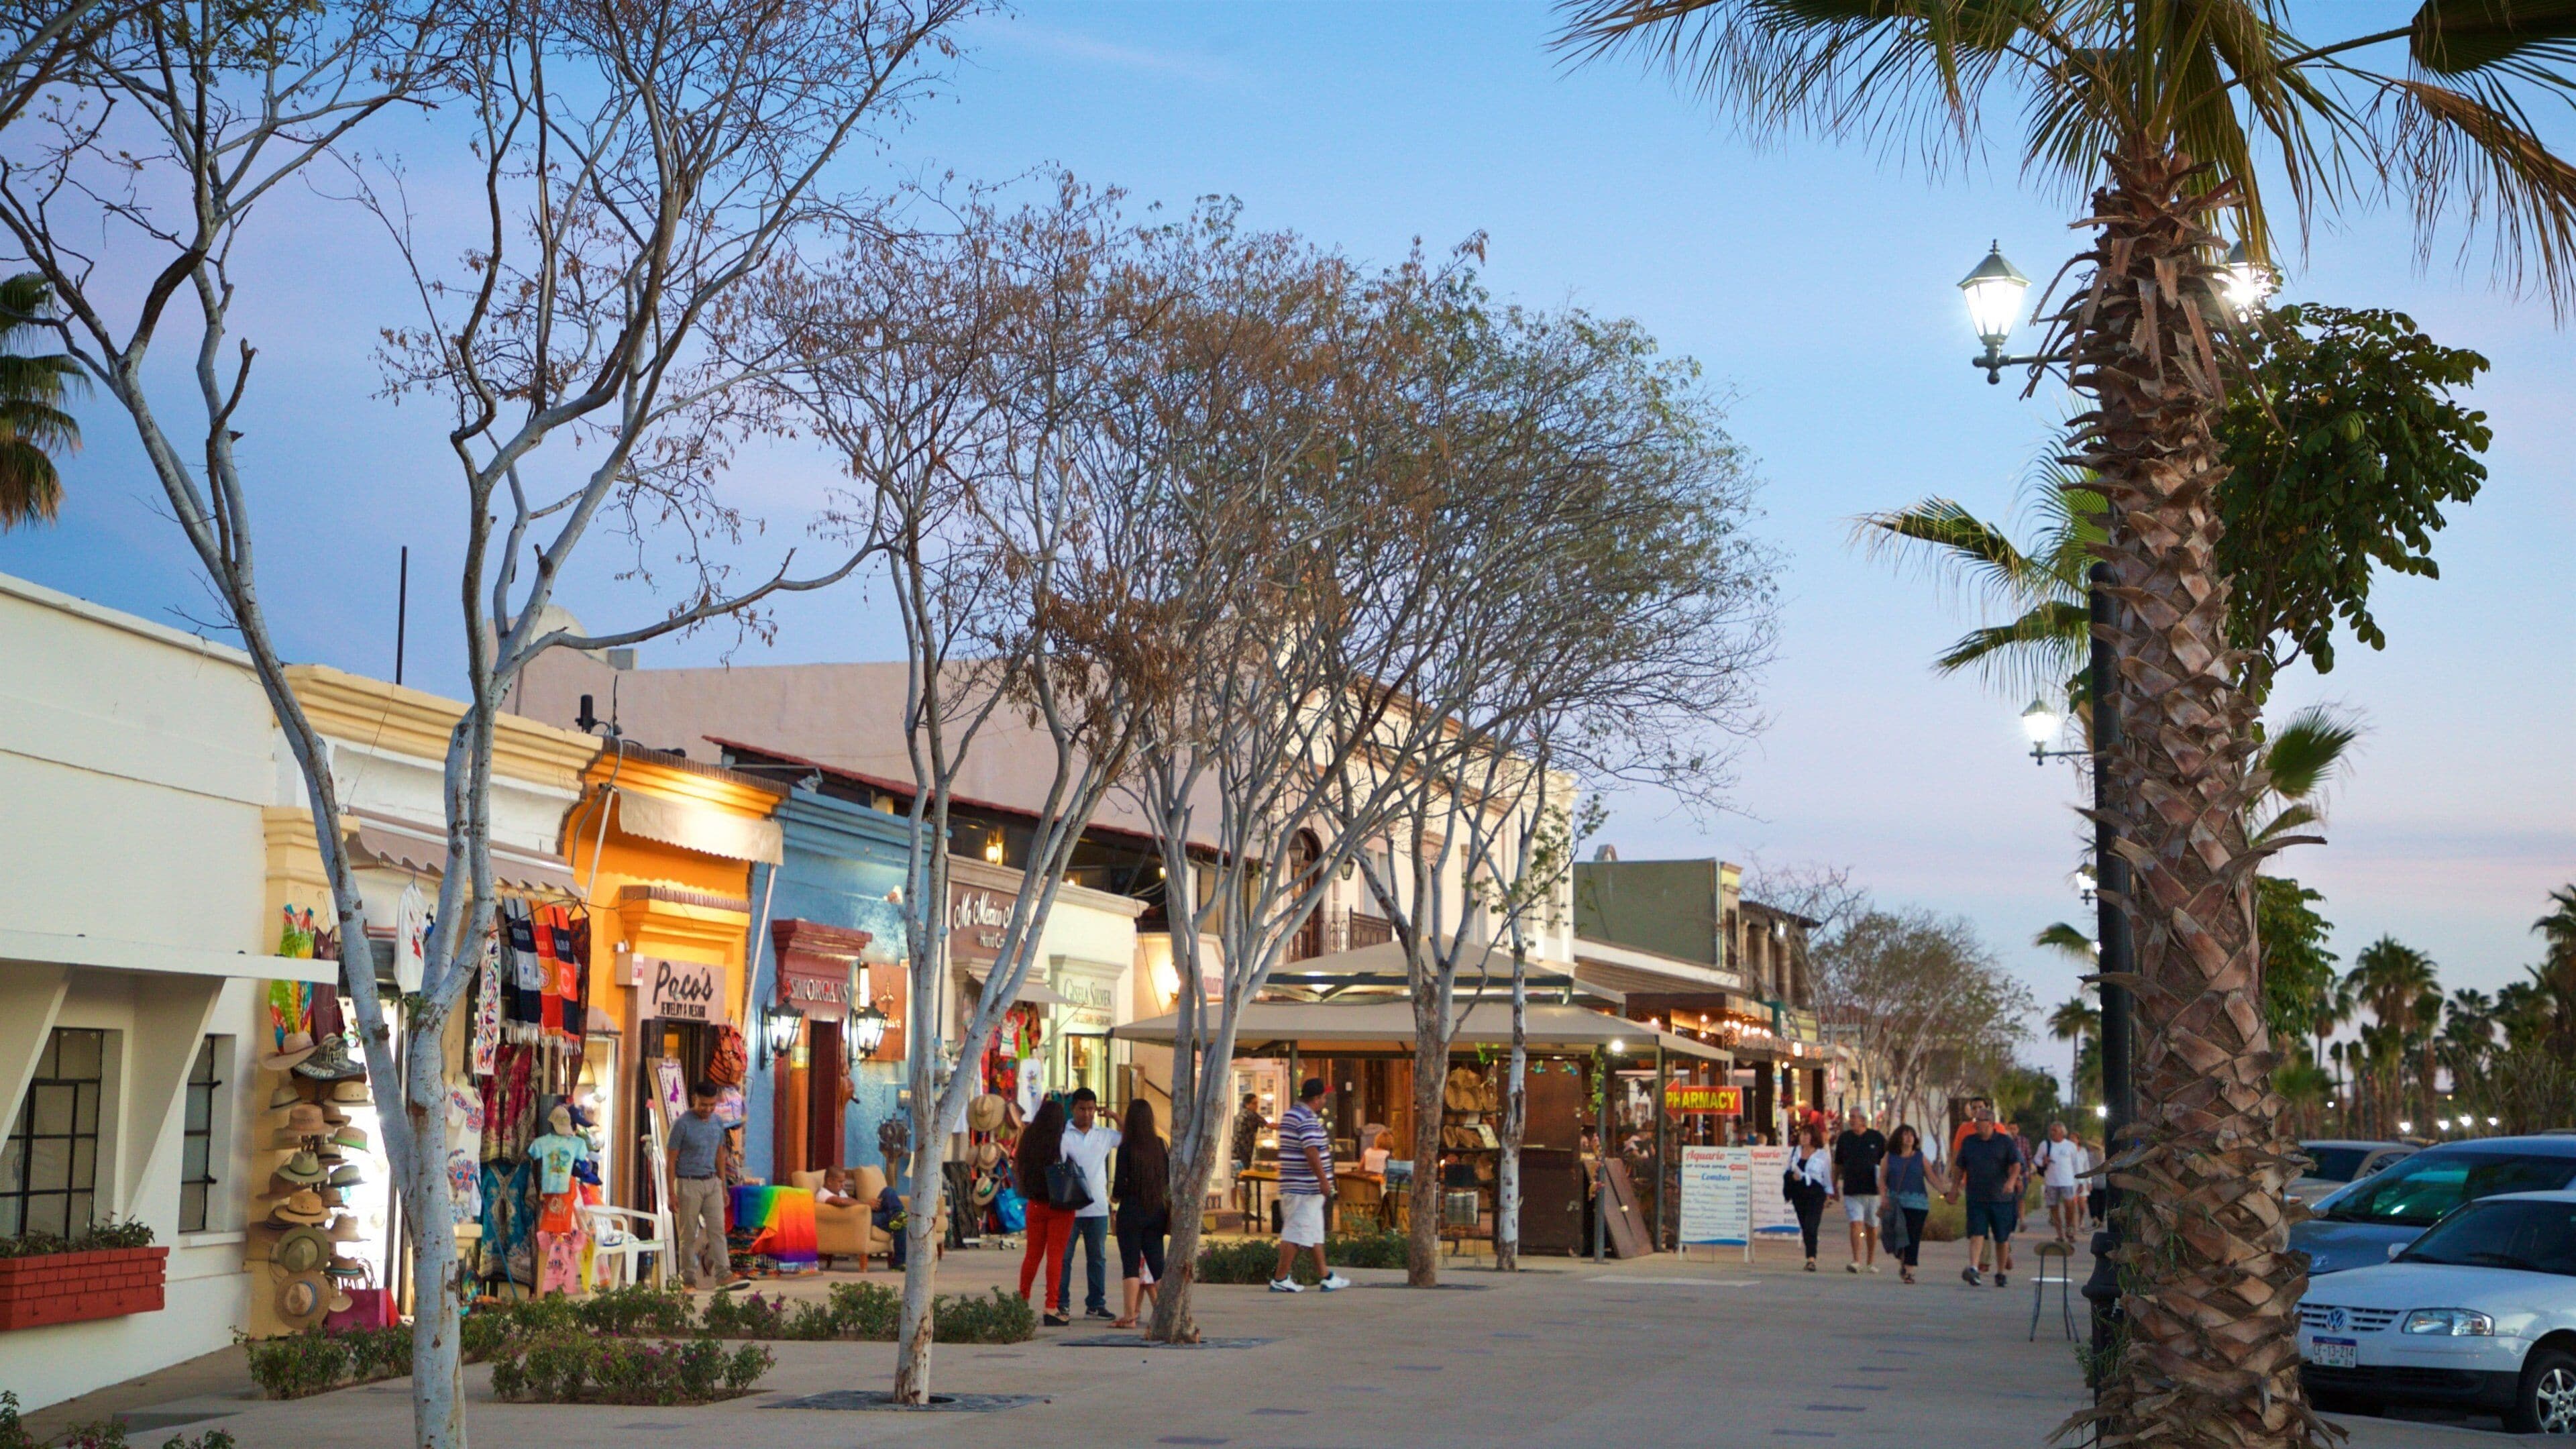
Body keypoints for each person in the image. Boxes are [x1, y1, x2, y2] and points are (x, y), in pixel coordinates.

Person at [1270, 1077, 1349, 1293]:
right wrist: (1324, 1181)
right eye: (1324, 1097)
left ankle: (1326, 1276)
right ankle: (1280, 1277)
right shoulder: (1307, 1119)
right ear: (1316, 1099)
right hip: (1304, 1188)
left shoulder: (1290, 1115)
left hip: (1298, 1186)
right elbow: (1311, 1150)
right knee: (1296, 1232)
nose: (1324, 1101)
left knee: (1313, 1233)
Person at [667, 1081, 747, 1291]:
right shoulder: (681, 1124)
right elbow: (671, 1160)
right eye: (704, 1105)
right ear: (695, 1100)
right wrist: (670, 1193)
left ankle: (723, 1274)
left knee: (717, 1230)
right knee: (688, 1234)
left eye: (712, 1105)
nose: (708, 1109)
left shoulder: (717, 1123)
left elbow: (720, 1154)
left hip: (712, 1182)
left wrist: (722, 1186)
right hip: (688, 1183)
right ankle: (688, 1279)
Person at [1055, 1087, 1122, 1320]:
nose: (1087, 1113)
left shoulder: (1104, 1134)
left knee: (1098, 1257)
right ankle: (1061, 1302)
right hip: (1069, 1207)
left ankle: (1096, 1303)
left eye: (1091, 1109)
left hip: (1097, 1208)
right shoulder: (1062, 1134)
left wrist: (1113, 1116)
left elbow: (1131, 1137)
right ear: (1073, 1108)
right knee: (1064, 1258)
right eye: (1082, 1108)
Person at [1015, 1099, 1076, 1325]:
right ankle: (1051, 1307)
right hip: (1059, 1205)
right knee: (1056, 1256)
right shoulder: (1063, 1140)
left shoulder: (1029, 1138)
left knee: (1032, 1254)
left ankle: (1021, 1302)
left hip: (1035, 1204)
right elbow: (1077, 1164)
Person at [1110, 1097, 1169, 1328]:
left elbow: (1119, 1187)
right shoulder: (1161, 1145)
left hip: (1131, 1212)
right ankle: (1167, 1312)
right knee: (1158, 1265)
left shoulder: (1126, 1148)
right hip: (1156, 1211)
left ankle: (1129, 1317)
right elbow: (1167, 1180)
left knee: (1130, 1265)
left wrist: (1115, 1198)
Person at [1948, 1110, 2025, 1287]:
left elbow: (2016, 1165)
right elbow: (1960, 1167)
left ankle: (2000, 1273)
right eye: (1975, 1121)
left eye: (1980, 1121)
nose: (1975, 1124)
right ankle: (1974, 1269)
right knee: (1977, 1233)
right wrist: (1954, 1189)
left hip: (2001, 1199)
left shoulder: (2005, 1142)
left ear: (1990, 1123)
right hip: (1976, 1197)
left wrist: (2011, 1182)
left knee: (2001, 1238)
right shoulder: (1969, 1142)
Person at [1877, 1124, 1936, 1285]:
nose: (1909, 1138)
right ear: (1898, 1138)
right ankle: (1903, 1259)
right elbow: (1882, 1179)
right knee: (1898, 1237)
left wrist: (1946, 1193)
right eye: (1905, 1135)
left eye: (1912, 1135)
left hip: (1918, 1205)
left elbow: (1931, 1177)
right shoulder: (1890, 1157)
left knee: (1913, 1237)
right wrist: (1883, 1196)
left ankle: (1909, 1271)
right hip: (1896, 1204)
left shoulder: (1920, 1157)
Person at [1831, 1108, 1886, 1274]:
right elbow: (1838, 1164)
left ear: (1864, 1119)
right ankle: (1856, 1260)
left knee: (1872, 1226)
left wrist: (1886, 1186)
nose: (1852, 1120)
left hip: (1873, 1191)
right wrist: (1833, 1185)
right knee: (1855, 1223)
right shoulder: (1845, 1139)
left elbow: (1886, 1162)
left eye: (1855, 1117)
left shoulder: (1876, 1138)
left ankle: (1871, 1261)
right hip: (1852, 1190)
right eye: (1851, 1117)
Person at [1786, 1122, 1834, 1271]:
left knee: (1811, 1225)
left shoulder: (1821, 1155)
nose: (1804, 1137)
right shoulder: (1795, 1152)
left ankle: (1811, 1258)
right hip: (1798, 1193)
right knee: (1804, 1226)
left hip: (1816, 1193)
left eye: (1807, 1134)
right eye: (1802, 1134)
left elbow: (1826, 1175)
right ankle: (1810, 1257)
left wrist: (1829, 1193)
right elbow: (1788, 1170)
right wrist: (1791, 1178)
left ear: (1813, 1137)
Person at [2034, 1121, 2088, 1244]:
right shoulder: (2045, 1144)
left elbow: (2076, 1165)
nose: (2052, 1133)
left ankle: (2069, 1230)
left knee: (2070, 1207)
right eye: (2051, 1130)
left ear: (2062, 1133)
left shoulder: (2070, 1146)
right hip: (2051, 1182)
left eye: (2055, 1130)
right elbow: (2036, 1159)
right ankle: (2060, 1234)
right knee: (2054, 1208)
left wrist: (2080, 1181)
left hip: (2068, 1182)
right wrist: (2043, 1162)